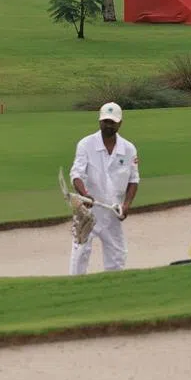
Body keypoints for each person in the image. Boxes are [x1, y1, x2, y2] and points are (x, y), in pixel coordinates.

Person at [69, 102, 139, 274]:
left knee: (117, 255)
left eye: (112, 122)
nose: (108, 125)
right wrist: (84, 194)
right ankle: (75, 287)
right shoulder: (85, 144)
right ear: (99, 121)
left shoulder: (129, 149)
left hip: (112, 211)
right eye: (105, 121)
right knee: (80, 252)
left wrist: (127, 205)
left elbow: (134, 180)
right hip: (87, 211)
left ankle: (113, 288)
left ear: (120, 123)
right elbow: (76, 174)